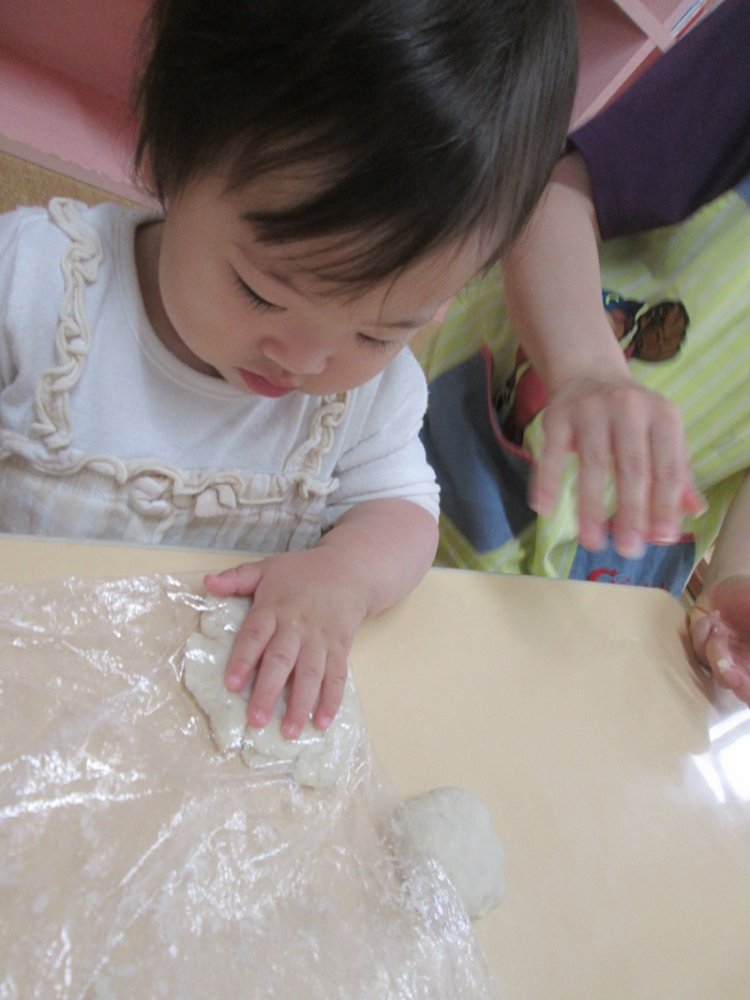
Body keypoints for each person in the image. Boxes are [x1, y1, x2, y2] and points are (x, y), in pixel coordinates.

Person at [0, 0, 578, 736]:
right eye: (261, 293)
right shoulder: (38, 286)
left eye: (377, 331)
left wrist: (346, 573)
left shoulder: (368, 398)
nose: (304, 361)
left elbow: (404, 511)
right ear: (172, 156)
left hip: (188, 721)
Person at [418, 0, 750, 703]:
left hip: (609, 586)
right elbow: (555, 196)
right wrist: (587, 367)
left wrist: (737, 583)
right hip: (450, 474)